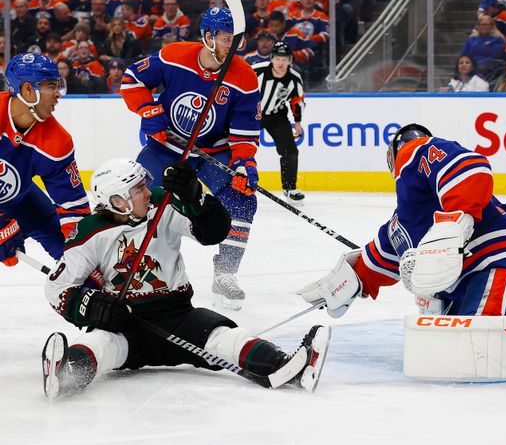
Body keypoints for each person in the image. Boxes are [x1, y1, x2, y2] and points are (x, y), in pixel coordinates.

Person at [41, 158, 329, 399]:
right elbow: (58, 288)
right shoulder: (89, 232)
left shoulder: (163, 205)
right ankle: (67, 373)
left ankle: (288, 366)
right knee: (100, 344)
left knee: (224, 338)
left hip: (179, 318)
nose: (146, 191)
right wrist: (91, 307)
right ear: (117, 201)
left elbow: (213, 233)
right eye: (137, 188)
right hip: (127, 324)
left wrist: (196, 200)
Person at [297, 124, 506, 317]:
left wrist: (453, 221)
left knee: (475, 349)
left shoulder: (413, 152)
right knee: (448, 349)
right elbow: (377, 263)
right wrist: (345, 283)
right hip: (472, 282)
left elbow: (470, 167)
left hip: (501, 264)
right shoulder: (399, 226)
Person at [120, 7, 261, 310]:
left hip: (213, 152)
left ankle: (226, 272)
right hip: (166, 146)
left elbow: (245, 135)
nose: (233, 47)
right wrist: (149, 110)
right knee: (136, 200)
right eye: (226, 39)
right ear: (208, 37)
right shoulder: (174, 55)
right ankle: (133, 269)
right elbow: (132, 79)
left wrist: (243, 163)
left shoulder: (245, 77)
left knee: (243, 200)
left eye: (237, 40)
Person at [0, 53, 90, 266]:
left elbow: (74, 209)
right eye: (51, 86)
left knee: (83, 264)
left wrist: (84, 253)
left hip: (20, 198)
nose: (58, 94)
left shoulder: (58, 141)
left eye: (59, 85)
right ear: (27, 90)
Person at [251, 41, 306, 204]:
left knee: (290, 151)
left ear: (290, 61)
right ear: (272, 59)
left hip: (277, 116)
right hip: (251, 114)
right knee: (240, 146)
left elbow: (297, 100)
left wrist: (297, 122)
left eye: (285, 59)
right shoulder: (257, 71)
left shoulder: (294, 78)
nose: (281, 63)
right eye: (278, 59)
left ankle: (289, 188)